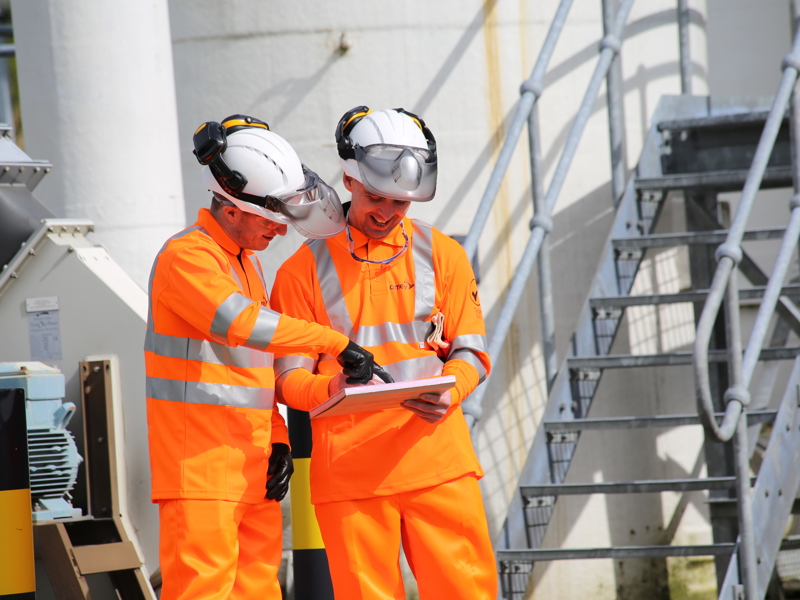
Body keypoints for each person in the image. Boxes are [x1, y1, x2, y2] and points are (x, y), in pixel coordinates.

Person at [144, 114, 380, 600]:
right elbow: (243, 325)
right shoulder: (186, 257)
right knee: (201, 591)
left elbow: (254, 374)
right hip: (201, 470)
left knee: (259, 591)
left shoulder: (245, 265)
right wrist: (334, 342)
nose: (281, 231)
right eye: (271, 219)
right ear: (232, 208)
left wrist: (277, 439)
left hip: (251, 468)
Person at [272, 107, 498, 599]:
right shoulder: (300, 273)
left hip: (438, 464)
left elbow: (472, 350)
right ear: (349, 179)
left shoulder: (444, 255)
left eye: (400, 202)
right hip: (351, 477)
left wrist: (453, 389)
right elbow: (288, 382)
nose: (387, 212)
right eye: (375, 197)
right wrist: (333, 387)